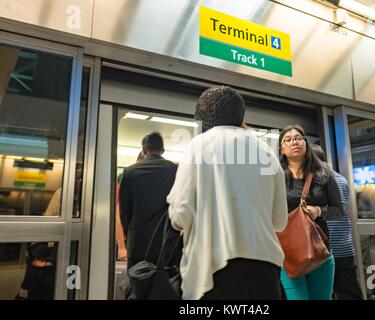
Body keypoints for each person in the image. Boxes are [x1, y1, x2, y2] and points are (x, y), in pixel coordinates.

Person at [167, 85, 288, 300]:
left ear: (201, 118)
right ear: (240, 115)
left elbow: (180, 213)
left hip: (214, 272)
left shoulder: (199, 146)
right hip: (266, 272)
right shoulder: (267, 152)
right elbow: (279, 222)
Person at [278, 125, 344, 300]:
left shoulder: (324, 174)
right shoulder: (274, 177)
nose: (294, 142)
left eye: (299, 138)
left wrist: (319, 211)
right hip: (288, 253)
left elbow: (339, 211)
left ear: (306, 143)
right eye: (288, 139)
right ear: (281, 149)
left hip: (320, 252)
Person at [310, 144, 364, 300]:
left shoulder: (318, 180)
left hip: (325, 249)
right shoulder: (340, 178)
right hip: (345, 248)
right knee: (350, 293)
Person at [119, 132, 177, 269]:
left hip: (138, 243)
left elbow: (124, 212)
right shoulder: (175, 171)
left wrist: (129, 237)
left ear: (144, 150)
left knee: (138, 285)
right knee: (165, 286)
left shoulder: (129, 173)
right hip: (166, 243)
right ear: (163, 150)